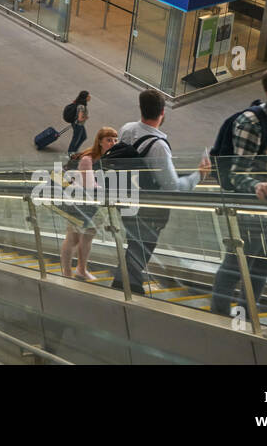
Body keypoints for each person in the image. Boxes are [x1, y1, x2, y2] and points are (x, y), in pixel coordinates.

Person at [209, 66, 267, 317]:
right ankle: (218, 313)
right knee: (237, 263)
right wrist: (256, 185)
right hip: (254, 212)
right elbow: (237, 173)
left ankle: (248, 311)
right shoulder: (251, 123)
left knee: (265, 265)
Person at [109, 89, 208, 295]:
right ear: (162, 112)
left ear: (141, 108)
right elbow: (172, 187)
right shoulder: (158, 146)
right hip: (147, 209)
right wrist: (198, 175)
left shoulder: (127, 129)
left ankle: (126, 285)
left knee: (134, 244)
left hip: (125, 200)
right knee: (141, 247)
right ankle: (127, 288)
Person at [60, 126, 118, 281]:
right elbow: (89, 186)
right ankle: (66, 272)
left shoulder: (106, 159)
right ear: (99, 141)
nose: (113, 143)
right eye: (108, 140)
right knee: (73, 238)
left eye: (115, 140)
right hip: (79, 204)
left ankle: (81, 269)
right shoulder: (88, 158)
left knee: (87, 237)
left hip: (93, 206)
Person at [64, 91, 91, 155]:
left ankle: (74, 151)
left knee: (83, 137)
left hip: (78, 124)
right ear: (85, 97)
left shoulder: (79, 103)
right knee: (75, 139)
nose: (90, 97)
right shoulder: (81, 106)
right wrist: (86, 118)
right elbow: (80, 118)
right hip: (78, 125)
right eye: (88, 96)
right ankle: (70, 153)